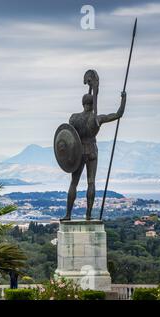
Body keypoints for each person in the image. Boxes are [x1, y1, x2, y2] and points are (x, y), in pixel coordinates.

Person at [62, 71, 126, 220]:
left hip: (77, 152)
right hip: (91, 151)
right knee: (91, 182)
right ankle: (88, 215)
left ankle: (68, 214)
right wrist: (123, 99)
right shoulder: (97, 119)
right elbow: (118, 114)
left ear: (83, 104)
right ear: (92, 104)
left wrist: (92, 91)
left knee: (74, 183)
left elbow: (69, 135)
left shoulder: (73, 118)